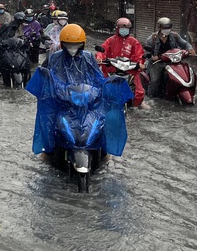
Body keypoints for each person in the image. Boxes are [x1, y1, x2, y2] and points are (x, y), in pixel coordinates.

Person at [27, 24, 133, 159]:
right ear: (63, 44)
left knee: (104, 118)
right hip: (63, 100)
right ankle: (48, 150)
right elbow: (48, 76)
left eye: (76, 45)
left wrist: (105, 86)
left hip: (86, 100)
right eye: (69, 45)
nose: (72, 49)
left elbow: (98, 77)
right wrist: (54, 88)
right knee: (49, 119)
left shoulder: (88, 58)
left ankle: (104, 151)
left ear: (82, 44)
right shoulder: (55, 58)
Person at [96, 17, 147, 109]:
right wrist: (99, 58)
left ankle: (135, 105)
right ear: (117, 29)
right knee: (101, 88)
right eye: (122, 28)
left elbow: (139, 55)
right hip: (112, 70)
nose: (124, 30)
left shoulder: (134, 42)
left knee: (139, 93)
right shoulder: (110, 40)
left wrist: (140, 63)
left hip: (129, 71)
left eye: (126, 29)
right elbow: (102, 50)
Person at [145, 17, 195, 98]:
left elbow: (185, 43)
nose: (167, 29)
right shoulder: (152, 38)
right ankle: (151, 97)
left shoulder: (175, 36)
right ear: (160, 28)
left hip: (173, 61)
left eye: (169, 27)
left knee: (185, 74)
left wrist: (190, 49)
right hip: (158, 63)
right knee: (155, 80)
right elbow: (147, 51)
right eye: (164, 27)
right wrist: (152, 56)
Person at [0, 12, 28, 81]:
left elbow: (21, 37)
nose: (22, 23)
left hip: (13, 48)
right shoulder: (6, 25)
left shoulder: (20, 27)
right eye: (21, 21)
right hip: (2, 47)